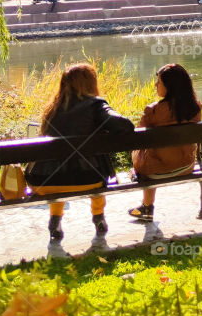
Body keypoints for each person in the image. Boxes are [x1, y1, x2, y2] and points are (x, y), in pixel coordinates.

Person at [26, 63, 133, 246]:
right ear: (91, 83)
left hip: (43, 182)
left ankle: (55, 219)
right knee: (95, 173)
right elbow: (125, 125)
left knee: (59, 174)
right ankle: (98, 217)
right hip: (87, 180)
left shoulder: (52, 109)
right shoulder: (96, 105)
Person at [128, 64, 202, 223]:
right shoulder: (196, 108)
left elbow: (138, 138)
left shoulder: (153, 111)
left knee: (144, 156)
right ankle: (146, 207)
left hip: (156, 170)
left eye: (159, 82)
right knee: (156, 155)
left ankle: (147, 207)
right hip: (186, 166)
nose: (155, 85)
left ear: (170, 86)